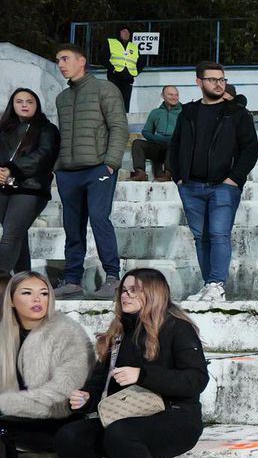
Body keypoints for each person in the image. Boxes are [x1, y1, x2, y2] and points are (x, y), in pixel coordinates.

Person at [55, 268, 209, 458]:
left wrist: (144, 375)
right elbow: (100, 382)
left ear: (153, 293)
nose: (126, 295)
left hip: (175, 418)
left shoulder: (177, 328)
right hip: (127, 413)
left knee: (122, 433)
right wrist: (85, 399)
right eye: (123, 290)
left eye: (134, 290)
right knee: (71, 436)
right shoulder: (119, 331)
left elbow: (195, 380)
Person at [0, 272, 93, 458]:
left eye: (43, 292)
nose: (37, 299)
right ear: (11, 301)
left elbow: (59, 397)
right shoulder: (5, 334)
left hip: (60, 422)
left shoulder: (67, 333)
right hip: (15, 420)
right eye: (27, 293)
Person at [168, 61, 258, 302]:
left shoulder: (237, 113)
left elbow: (250, 149)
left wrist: (234, 179)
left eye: (222, 80)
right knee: (201, 237)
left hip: (223, 186)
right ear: (199, 82)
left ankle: (216, 284)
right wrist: (178, 178)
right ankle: (209, 284)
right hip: (190, 186)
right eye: (212, 79)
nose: (219, 84)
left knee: (219, 234)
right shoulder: (188, 112)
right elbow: (175, 146)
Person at [53, 44, 127, 301]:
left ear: (81, 60)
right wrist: (59, 168)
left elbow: (118, 126)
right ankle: (72, 280)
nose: (61, 64)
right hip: (68, 172)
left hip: (98, 168)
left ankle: (113, 278)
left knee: (98, 219)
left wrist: (110, 163)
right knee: (72, 226)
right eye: (58, 60)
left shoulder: (105, 89)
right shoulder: (62, 98)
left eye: (65, 59)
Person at [0, 89, 59, 275]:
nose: (24, 105)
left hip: (31, 189)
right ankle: (22, 280)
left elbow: (44, 156)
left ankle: (1, 280)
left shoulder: (47, 129)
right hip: (3, 188)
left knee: (10, 235)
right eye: (19, 101)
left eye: (29, 101)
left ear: (37, 105)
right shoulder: (4, 129)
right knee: (18, 235)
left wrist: (12, 169)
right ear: (12, 105)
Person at [131, 85, 181, 182]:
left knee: (173, 143)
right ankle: (140, 172)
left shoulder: (184, 112)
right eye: (170, 94)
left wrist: (171, 139)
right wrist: (157, 138)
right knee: (137, 143)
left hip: (175, 148)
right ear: (163, 96)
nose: (174, 97)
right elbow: (146, 131)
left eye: (176, 95)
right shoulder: (155, 112)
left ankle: (168, 174)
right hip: (158, 145)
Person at [104, 26, 140, 112]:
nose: (126, 34)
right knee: (113, 101)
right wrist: (112, 69)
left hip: (128, 78)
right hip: (114, 77)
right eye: (124, 31)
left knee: (125, 103)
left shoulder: (133, 46)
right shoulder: (111, 42)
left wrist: (136, 71)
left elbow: (141, 61)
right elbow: (103, 58)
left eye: (128, 32)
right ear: (119, 33)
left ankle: (124, 123)